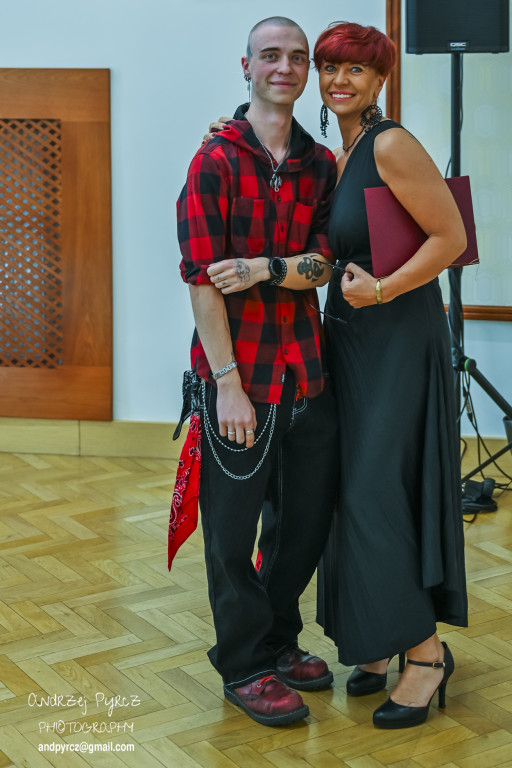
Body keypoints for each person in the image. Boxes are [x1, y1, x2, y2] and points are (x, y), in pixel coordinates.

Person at [206, 21, 468, 730]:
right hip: (346, 342)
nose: (339, 80)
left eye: (356, 69)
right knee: (347, 494)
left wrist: (382, 289)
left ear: (380, 79)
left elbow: (450, 237)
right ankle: (378, 638)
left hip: (394, 337)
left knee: (375, 491)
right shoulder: (334, 155)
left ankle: (425, 654)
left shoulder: (388, 143)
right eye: (329, 67)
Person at [176, 16, 340, 727]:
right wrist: (227, 386)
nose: (285, 67)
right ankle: (243, 663)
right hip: (239, 381)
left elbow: (324, 264)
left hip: (307, 374)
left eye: (297, 57)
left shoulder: (320, 164)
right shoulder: (214, 161)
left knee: (301, 526)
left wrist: (269, 269)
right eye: (270, 55)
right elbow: (202, 280)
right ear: (246, 66)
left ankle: (276, 639)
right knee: (232, 532)